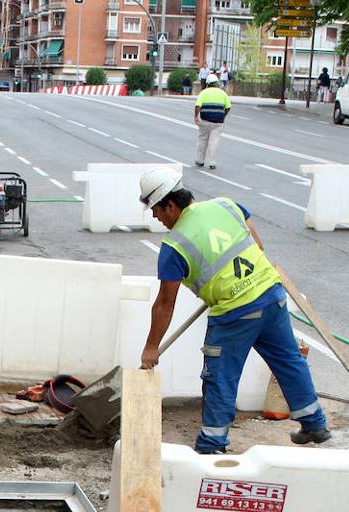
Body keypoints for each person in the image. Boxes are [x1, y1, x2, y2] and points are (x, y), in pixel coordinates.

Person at [137, 167, 330, 454]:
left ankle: (212, 443)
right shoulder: (225, 205)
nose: (155, 217)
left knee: (220, 375)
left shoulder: (175, 245)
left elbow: (165, 303)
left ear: (171, 205)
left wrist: (151, 347)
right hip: (271, 295)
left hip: (234, 314)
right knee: (288, 360)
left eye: (156, 210)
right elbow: (257, 244)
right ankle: (314, 422)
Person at [194, 73, 230, 169]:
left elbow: (198, 105)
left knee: (202, 139)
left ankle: (200, 160)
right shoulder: (223, 93)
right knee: (214, 141)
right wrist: (223, 115)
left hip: (205, 119)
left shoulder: (204, 93)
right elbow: (228, 107)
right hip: (218, 121)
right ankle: (212, 162)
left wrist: (196, 116)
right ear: (217, 83)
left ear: (207, 84)